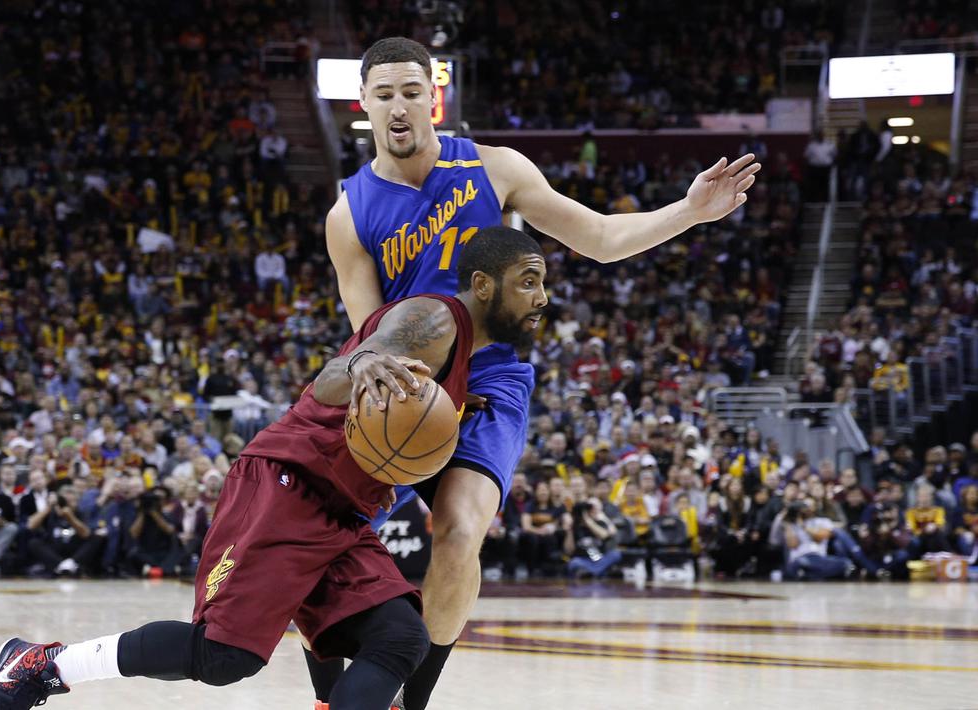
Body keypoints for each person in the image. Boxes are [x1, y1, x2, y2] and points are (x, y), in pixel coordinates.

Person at [318, 36, 760, 710]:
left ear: (432, 97)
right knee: (324, 537)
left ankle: (413, 701)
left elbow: (602, 240)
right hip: (403, 385)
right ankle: (329, 693)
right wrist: (372, 366)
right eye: (385, 95)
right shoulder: (348, 212)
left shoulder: (493, 169)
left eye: (411, 92)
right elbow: (366, 333)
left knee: (460, 532)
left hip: (489, 376)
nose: (400, 106)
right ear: (365, 105)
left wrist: (689, 211)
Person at [0, 226, 547, 710]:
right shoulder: (435, 320)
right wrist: (365, 360)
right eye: (529, 281)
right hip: (286, 487)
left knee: (400, 637)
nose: (542, 296)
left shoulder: (463, 356)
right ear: (481, 284)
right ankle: (40, 665)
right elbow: (331, 377)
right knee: (222, 657)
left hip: (341, 513)